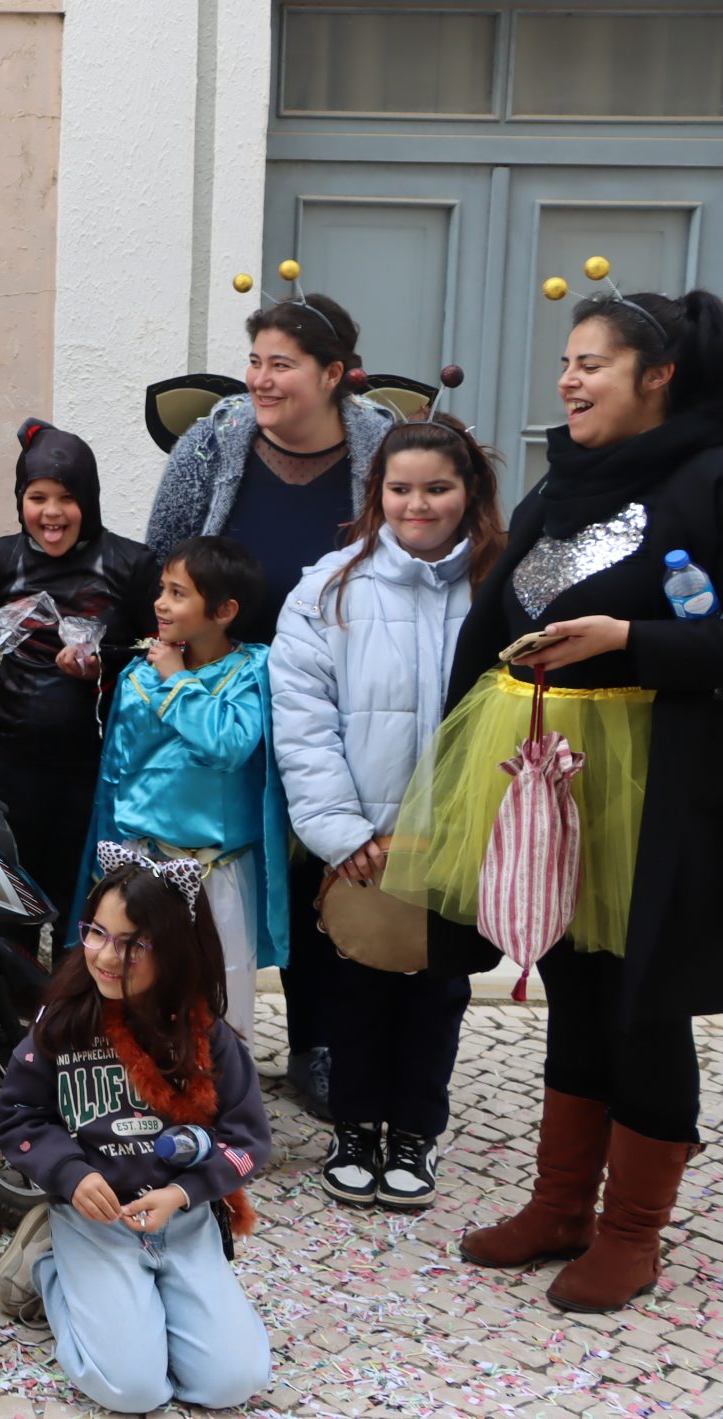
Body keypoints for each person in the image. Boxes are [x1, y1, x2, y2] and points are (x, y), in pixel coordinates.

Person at [386, 290, 723, 1312]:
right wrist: (450, 785)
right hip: (537, 768)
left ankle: (631, 1234)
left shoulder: (707, 480)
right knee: (574, 985)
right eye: (566, 363)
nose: (568, 381)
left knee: (641, 1001)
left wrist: (631, 642)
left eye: (592, 364)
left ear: (657, 376)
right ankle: (561, 1205)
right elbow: (488, 623)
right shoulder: (559, 482)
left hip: (653, 778)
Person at [145, 293, 392, 1122]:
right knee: (237, 861)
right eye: (255, 361)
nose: (260, 379)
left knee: (322, 861)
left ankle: (319, 1041)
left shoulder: (384, 447)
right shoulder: (212, 439)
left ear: (333, 375)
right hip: (227, 687)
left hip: (339, 695)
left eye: (281, 364)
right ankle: (202, 1036)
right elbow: (162, 555)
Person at [270, 420, 503, 1209]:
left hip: (456, 836)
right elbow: (303, 719)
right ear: (377, 493)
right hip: (361, 838)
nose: (418, 504)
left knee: (438, 992)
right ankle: (356, 1127)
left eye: (437, 487)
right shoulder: (330, 587)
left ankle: (414, 1133)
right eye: (400, 488)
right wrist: (340, 831)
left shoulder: (498, 583)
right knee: (357, 988)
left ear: (468, 491)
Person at [0, 853, 273, 1414]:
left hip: (183, 1220)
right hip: (96, 1222)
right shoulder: (63, 1022)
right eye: (96, 933)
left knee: (231, 1382)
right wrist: (70, 1175)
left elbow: (248, 1143)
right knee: (132, 1390)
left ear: (174, 950)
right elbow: (19, 1117)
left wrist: (183, 1193)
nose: (108, 956)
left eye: (134, 943)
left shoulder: (207, 1036)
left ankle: (151, 1299)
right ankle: (51, 1268)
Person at [84, 537, 289, 1039]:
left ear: (224, 611)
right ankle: (137, 1089)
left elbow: (228, 744)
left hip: (214, 868)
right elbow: (118, 772)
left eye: (178, 593)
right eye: (162, 589)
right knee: (134, 981)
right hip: (138, 862)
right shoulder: (142, 670)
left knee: (214, 986)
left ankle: (217, 1096)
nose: (160, 603)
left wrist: (177, 681)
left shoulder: (251, 672)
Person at [0, 420, 159, 931]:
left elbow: (161, 654)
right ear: (20, 500)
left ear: (91, 500)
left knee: (82, 906)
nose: (51, 513)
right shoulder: (2, 557)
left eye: (67, 497)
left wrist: (103, 665)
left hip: (93, 769)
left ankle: (73, 1004)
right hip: (13, 762)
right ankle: (12, 1007)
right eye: (37, 497)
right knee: (10, 900)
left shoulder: (130, 564)